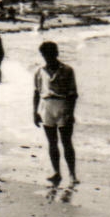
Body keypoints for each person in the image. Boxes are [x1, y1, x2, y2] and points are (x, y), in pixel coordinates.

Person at [32, 40, 79, 185]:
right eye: (45, 55)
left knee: (66, 142)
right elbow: (36, 93)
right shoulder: (39, 71)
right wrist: (35, 112)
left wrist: (70, 113)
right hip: (46, 106)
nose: (48, 58)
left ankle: (72, 174)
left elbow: (73, 94)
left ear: (56, 53)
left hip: (62, 105)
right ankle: (56, 172)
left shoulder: (67, 70)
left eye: (51, 55)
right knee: (52, 142)